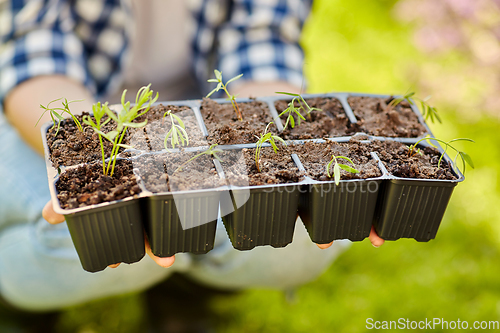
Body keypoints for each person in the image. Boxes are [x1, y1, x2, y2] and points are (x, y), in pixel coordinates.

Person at [0, 0, 384, 316]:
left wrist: (267, 156)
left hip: (202, 127)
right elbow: (34, 58)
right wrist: (108, 162)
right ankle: (22, 305)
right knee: (94, 236)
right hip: (73, 120)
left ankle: (184, 294)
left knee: (292, 236)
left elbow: (264, 45)